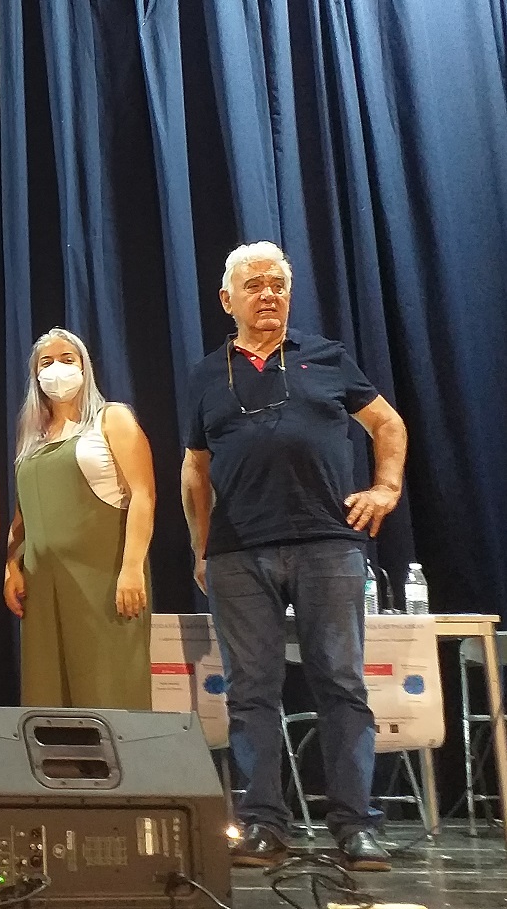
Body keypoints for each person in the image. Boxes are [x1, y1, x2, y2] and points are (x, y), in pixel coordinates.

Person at [181, 241, 407, 872]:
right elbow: (195, 469)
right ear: (227, 299)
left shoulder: (327, 357)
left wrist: (385, 488)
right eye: (254, 285)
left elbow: (387, 425)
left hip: (328, 543)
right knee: (251, 691)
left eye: (278, 284)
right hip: (237, 552)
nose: (269, 294)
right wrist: (201, 547)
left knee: (341, 682)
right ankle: (261, 824)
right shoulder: (206, 374)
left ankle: (356, 825)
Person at [4, 328, 154, 708]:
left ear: (84, 367)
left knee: (109, 691)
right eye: (46, 362)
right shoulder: (31, 439)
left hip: (103, 583)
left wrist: (132, 568)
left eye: (67, 359)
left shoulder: (111, 419)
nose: (57, 368)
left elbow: (143, 494)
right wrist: (11, 566)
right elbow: (22, 515)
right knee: (49, 698)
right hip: (43, 590)